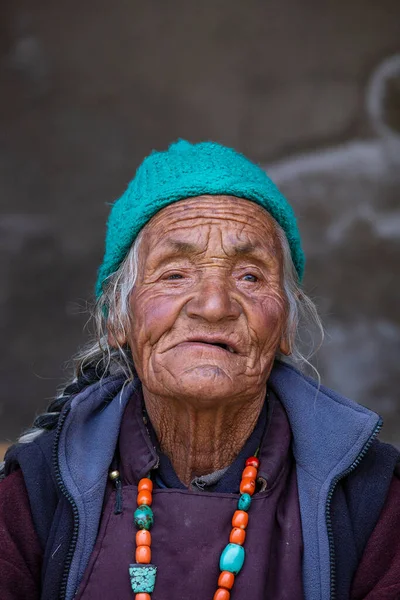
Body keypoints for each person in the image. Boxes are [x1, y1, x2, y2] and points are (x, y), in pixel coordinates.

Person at [0, 140, 399, 600]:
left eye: (250, 276)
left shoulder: (369, 496)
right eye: (175, 274)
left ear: (286, 323)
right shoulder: (38, 489)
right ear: (117, 318)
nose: (214, 305)